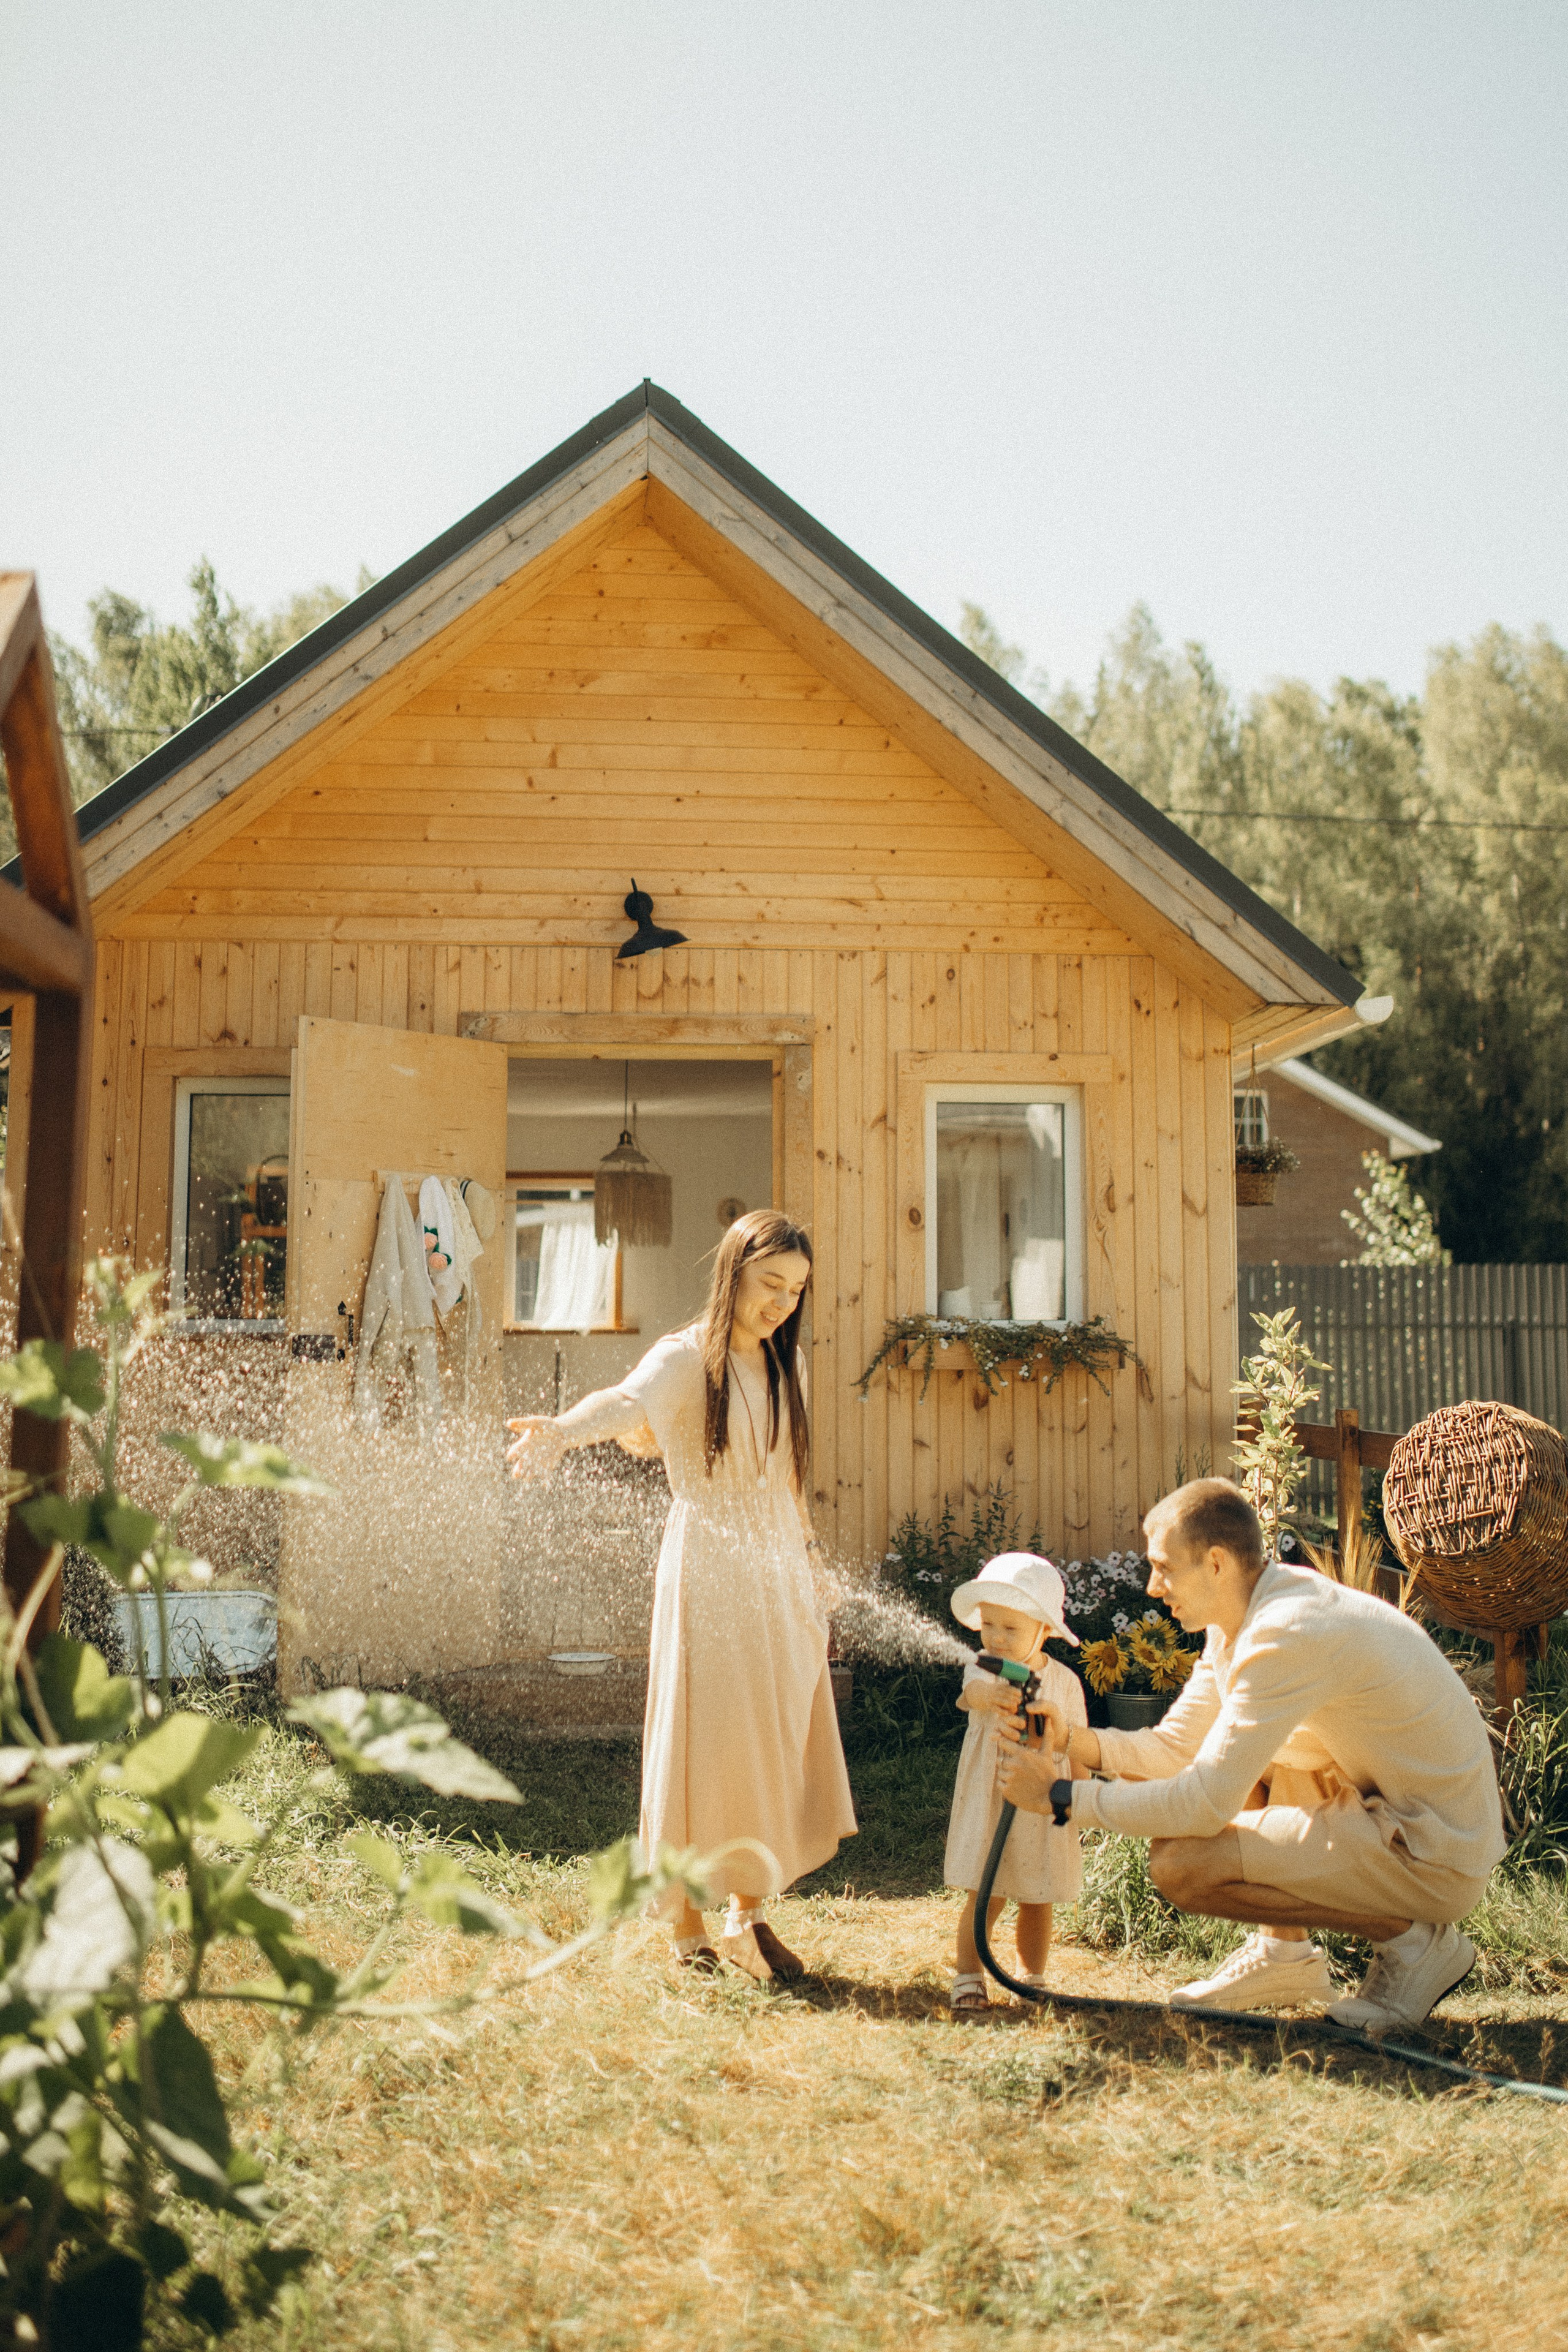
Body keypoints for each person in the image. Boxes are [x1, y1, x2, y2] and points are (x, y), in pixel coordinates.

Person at [996, 1478, 1507, 2033]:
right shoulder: (1245, 1615)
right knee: (1258, 1759)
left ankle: (1416, 1944)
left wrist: (1060, 1797)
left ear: (1215, 1563)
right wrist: (1071, 1739)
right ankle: (1284, 1957)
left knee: (1181, 1866)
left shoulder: (1285, 1633)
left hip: (1435, 1852)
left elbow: (1202, 1807)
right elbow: (1175, 1749)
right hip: (1394, 1813)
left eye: (1164, 1567)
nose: (1151, 1586)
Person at [506, 1209, 856, 1983]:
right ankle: (687, 1924)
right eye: (771, 1285)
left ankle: (748, 1911)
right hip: (709, 1566)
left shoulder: (784, 1365)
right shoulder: (681, 1360)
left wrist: (810, 1559)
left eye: (796, 1291)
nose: (782, 1304)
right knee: (710, 1736)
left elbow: (789, 1482)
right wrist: (561, 1431)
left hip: (776, 1568)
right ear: (732, 1272)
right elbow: (624, 1406)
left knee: (769, 1734)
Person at [943, 1553, 1087, 2016]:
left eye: (1011, 1629)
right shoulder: (985, 1668)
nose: (997, 1639)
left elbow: (1080, 1745)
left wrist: (1083, 1798)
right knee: (986, 1890)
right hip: (993, 1794)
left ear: (1044, 1631)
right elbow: (970, 1695)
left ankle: (1031, 1977)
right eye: (990, 1625)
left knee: (1037, 1892)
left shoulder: (1064, 1682)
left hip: (1043, 1801)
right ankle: (968, 1975)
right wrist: (992, 1695)